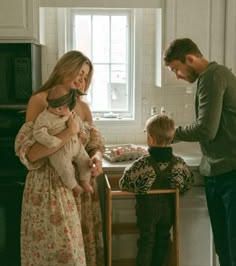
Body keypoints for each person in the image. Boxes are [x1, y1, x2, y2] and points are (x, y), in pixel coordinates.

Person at [15, 50, 105, 266]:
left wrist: (97, 158)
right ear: (66, 68)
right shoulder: (40, 101)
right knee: (59, 256)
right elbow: (30, 152)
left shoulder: (83, 107)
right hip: (49, 190)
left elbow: (94, 145)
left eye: (86, 76)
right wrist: (67, 133)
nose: (83, 79)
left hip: (81, 191)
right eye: (80, 73)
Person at [163, 38, 236, 266]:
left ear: (190, 59)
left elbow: (206, 128)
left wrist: (170, 134)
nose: (177, 75)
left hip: (231, 174)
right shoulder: (212, 76)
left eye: (177, 69)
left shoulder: (213, 76)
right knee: (225, 249)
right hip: (218, 172)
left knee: (231, 250)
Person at [119, 114, 193, 266]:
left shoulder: (142, 165)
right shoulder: (179, 164)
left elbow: (124, 183)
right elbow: (187, 184)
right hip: (168, 211)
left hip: (147, 212)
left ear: (150, 139)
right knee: (163, 240)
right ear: (171, 139)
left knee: (146, 241)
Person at [33, 85, 93, 194]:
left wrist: (82, 131)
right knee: (65, 169)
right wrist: (52, 141)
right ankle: (74, 186)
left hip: (77, 146)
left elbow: (78, 121)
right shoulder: (44, 118)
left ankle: (85, 181)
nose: (72, 111)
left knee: (86, 162)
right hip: (60, 151)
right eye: (70, 108)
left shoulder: (69, 112)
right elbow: (38, 132)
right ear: (59, 108)